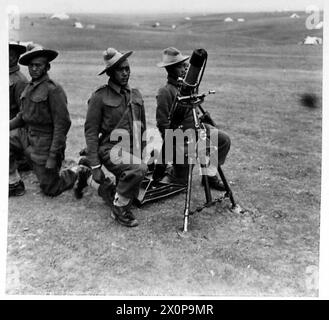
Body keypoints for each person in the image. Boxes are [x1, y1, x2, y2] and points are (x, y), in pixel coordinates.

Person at [76, 48, 147, 228]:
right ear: (110, 72)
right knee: (137, 170)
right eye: (120, 69)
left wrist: (144, 152)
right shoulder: (100, 97)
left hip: (131, 149)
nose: (125, 73)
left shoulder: (136, 95)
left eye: (127, 68)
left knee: (136, 187)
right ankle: (119, 210)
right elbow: (91, 132)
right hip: (110, 149)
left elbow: (142, 127)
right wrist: (95, 165)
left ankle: (88, 178)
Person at [9, 44, 84, 197]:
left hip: (44, 143)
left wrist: (52, 156)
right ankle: (13, 181)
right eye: (31, 65)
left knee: (51, 189)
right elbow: (22, 116)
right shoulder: (28, 87)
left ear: (47, 67)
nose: (34, 69)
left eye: (38, 65)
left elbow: (62, 125)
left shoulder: (53, 89)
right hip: (26, 136)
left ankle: (79, 170)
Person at [155, 47, 231, 190]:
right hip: (181, 137)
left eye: (186, 65)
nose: (185, 69)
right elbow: (163, 123)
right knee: (181, 183)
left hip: (198, 130)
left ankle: (209, 176)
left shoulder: (189, 87)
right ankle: (170, 170)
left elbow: (193, 112)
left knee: (223, 140)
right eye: (180, 66)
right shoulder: (165, 92)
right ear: (170, 70)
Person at [9, 41, 33, 173]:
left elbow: (24, 115)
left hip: (14, 130)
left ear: (17, 57)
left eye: (12, 54)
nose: (8, 57)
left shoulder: (20, 81)